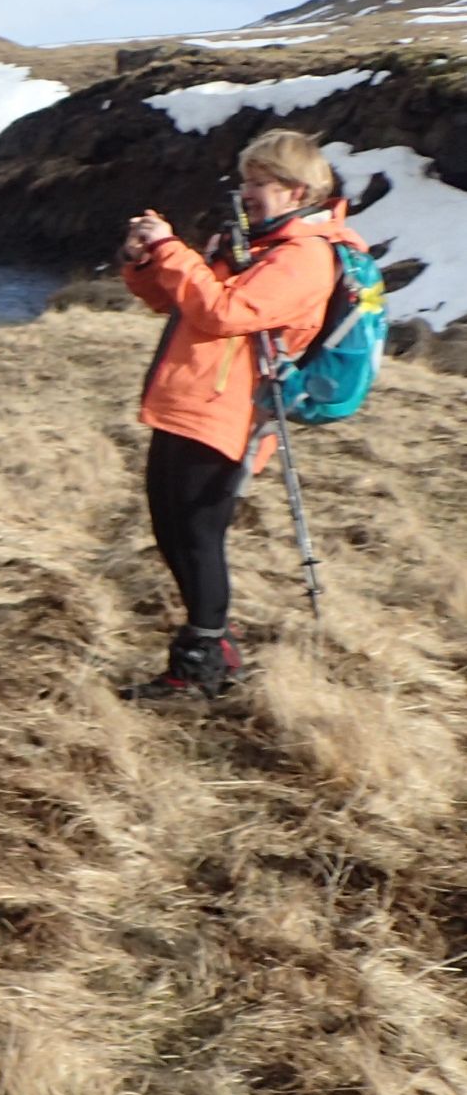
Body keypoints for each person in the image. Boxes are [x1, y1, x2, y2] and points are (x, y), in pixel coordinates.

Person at [118, 128, 357, 699]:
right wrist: (144, 260)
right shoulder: (252, 243)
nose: (247, 191)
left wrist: (173, 250)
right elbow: (175, 300)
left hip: (231, 413)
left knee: (198, 534)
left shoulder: (305, 256)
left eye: (261, 182)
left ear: (298, 190)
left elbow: (224, 312)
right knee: (172, 529)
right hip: (187, 403)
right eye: (247, 179)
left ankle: (202, 662)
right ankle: (211, 644)